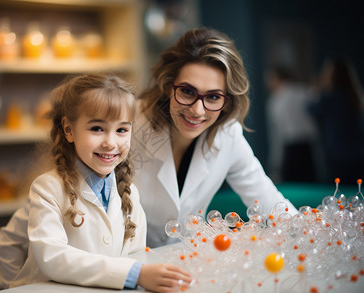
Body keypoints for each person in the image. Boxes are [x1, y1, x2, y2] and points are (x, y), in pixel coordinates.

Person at [0, 74, 192, 292]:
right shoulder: (47, 188)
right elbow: (52, 256)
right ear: (69, 130)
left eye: (122, 130)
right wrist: (15, 291)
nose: (110, 142)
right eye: (97, 128)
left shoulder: (130, 193)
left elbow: (135, 255)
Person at [132, 27, 298, 248]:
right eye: (187, 92)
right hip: (124, 263)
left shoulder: (228, 135)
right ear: (167, 85)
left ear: (227, 101)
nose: (198, 110)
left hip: (182, 263)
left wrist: (314, 239)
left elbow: (271, 204)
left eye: (213, 97)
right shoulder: (128, 125)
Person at [308, 58, 364, 183]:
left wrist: (315, 90)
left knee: (340, 194)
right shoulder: (356, 97)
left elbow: (311, 109)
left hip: (337, 155)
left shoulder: (331, 97)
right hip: (357, 153)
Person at [264, 65, 318, 183]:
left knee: (293, 185)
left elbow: (277, 134)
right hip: (307, 146)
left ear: (279, 78)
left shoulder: (275, 100)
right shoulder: (304, 91)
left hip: (292, 148)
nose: (268, 83)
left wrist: (275, 163)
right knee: (309, 184)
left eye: (270, 78)